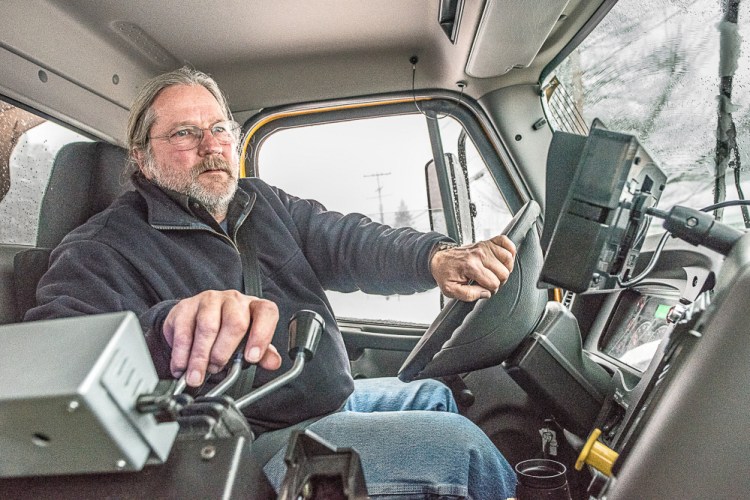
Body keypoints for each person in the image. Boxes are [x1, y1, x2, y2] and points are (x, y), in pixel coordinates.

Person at [26, 67, 518, 498]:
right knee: (464, 450)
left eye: (220, 128)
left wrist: (435, 257)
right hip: (245, 440)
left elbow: (347, 240)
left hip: (329, 402)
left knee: (434, 395)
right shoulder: (100, 248)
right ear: (141, 155)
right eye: (184, 134)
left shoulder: (260, 202)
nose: (211, 147)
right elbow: (55, 353)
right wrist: (166, 329)